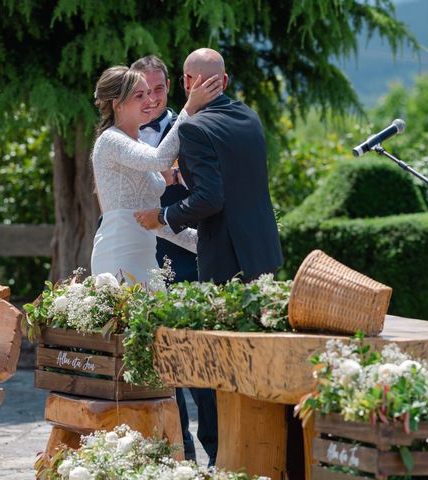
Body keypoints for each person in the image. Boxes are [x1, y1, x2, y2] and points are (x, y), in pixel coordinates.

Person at [134, 48, 284, 466]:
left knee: (220, 366)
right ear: (227, 80)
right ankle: (258, 454)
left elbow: (211, 198)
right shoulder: (249, 117)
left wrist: (164, 214)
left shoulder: (196, 128)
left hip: (222, 259)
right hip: (261, 254)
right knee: (256, 365)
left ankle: (227, 458)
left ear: (184, 84)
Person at [130, 55, 217, 465]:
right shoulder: (121, 137)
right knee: (162, 369)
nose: (151, 100)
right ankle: (177, 458)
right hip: (144, 263)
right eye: (142, 92)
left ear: (171, 87)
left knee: (202, 364)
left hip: (190, 261)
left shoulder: (194, 127)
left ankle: (219, 454)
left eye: (159, 90)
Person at [90, 65, 220, 285]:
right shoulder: (110, 140)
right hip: (118, 254)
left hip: (146, 256)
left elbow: (152, 223)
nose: (150, 100)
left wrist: (210, 242)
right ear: (117, 104)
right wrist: (190, 107)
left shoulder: (136, 145)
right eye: (140, 95)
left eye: (149, 93)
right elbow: (159, 160)